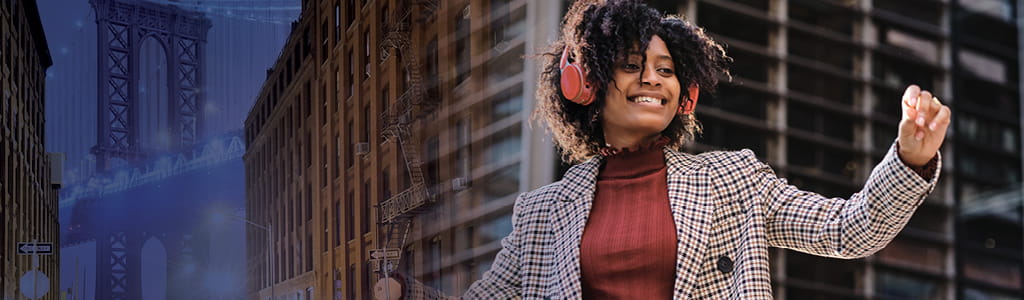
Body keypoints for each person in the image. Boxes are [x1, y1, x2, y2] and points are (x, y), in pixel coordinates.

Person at [377, 0, 948, 299]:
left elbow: (847, 230)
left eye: (666, 70)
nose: (653, 79)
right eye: (631, 66)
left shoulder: (733, 180)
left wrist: (910, 159)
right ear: (587, 85)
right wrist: (403, 294)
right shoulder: (541, 215)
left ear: (686, 93)